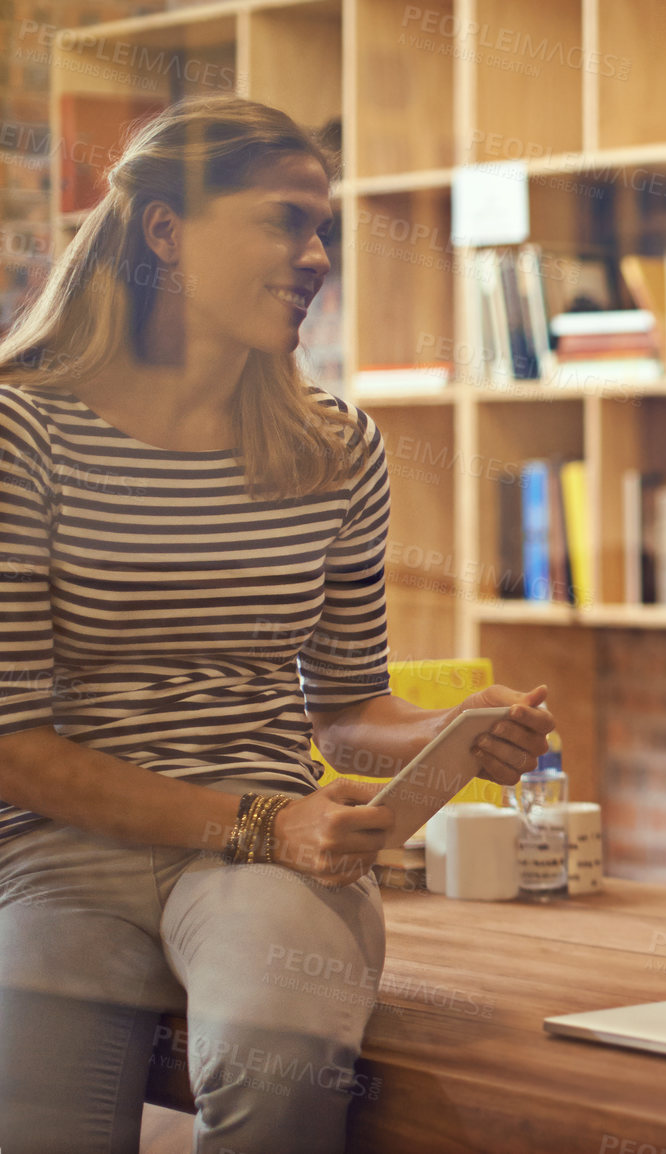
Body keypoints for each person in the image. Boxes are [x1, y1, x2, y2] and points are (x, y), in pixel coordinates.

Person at [0, 97, 557, 1151]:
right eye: (282, 221)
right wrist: (265, 816)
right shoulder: (22, 433)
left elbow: (347, 706)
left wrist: (451, 737)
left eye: (323, 231)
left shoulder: (333, 445)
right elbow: (14, 749)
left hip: (270, 869)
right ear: (164, 230)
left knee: (283, 1084)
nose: (314, 256)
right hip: (65, 854)